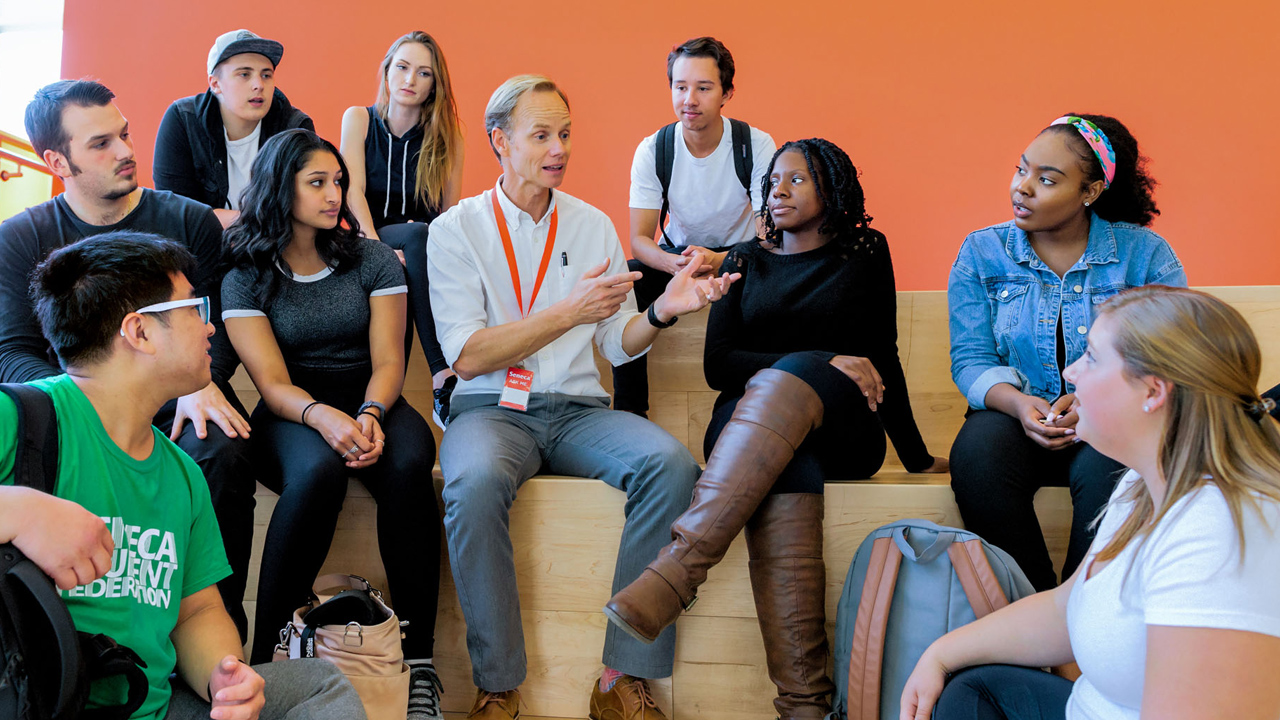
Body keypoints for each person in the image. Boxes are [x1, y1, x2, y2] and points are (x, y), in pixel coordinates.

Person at [426, 74, 738, 720]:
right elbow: (469, 354)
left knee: (672, 466)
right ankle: (498, 686)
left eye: (565, 133)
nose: (559, 148)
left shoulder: (592, 226)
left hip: (575, 412)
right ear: (499, 142)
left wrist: (664, 311)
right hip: (490, 410)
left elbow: (618, 345)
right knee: (474, 482)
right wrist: (568, 312)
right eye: (541, 135)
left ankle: (621, 679)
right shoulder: (455, 231)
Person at [604, 138, 947, 719]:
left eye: (797, 180)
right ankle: (805, 706)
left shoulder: (864, 251)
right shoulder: (743, 258)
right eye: (773, 182)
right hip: (749, 433)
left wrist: (914, 458)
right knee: (787, 456)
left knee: (790, 391)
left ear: (832, 189)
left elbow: (882, 355)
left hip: (842, 427)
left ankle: (677, 570)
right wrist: (822, 357)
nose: (778, 192)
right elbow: (720, 365)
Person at [0, 231, 368, 720]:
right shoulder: (21, 418)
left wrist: (224, 674)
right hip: (36, 702)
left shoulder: (183, 474)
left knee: (318, 684)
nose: (209, 328)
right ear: (140, 332)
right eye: (194, 309)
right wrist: (21, 510)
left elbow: (197, 611)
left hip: (147, 705)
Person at [901, 286, 1280, 720]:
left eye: (1093, 358)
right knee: (973, 689)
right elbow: (1070, 606)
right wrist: (940, 654)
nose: (1071, 370)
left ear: (1154, 392)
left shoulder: (1215, 534)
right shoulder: (1141, 482)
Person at [0, 79, 256, 641]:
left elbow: (219, 327)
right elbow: (11, 350)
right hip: (69, 400)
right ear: (55, 160)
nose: (125, 152)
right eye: (100, 144)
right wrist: (82, 407)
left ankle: (217, 635)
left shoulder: (189, 220)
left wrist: (196, 381)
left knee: (222, 450)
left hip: (182, 391)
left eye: (125, 134)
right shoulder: (20, 237)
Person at [220, 129, 444, 719]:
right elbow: (270, 383)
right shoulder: (246, 273)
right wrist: (323, 418)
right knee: (318, 472)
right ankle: (268, 658)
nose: (334, 195)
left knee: (410, 465)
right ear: (278, 189)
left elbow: (391, 359)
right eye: (316, 182)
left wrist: (369, 413)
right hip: (292, 410)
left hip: (374, 398)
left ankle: (419, 665)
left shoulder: (369, 258)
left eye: (338, 182)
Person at [947, 113, 1187, 591]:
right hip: (1014, 418)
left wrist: (1096, 398)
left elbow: (1167, 357)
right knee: (978, 453)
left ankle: (1081, 607)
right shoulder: (982, 252)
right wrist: (1018, 403)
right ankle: (1027, 606)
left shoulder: (1145, 255)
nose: (1023, 187)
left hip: (1112, 416)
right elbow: (971, 357)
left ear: (1090, 192)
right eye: (1022, 169)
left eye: (1047, 179)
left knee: (1116, 463)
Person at [611, 36, 776, 417]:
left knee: (778, 275)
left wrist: (720, 261)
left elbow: (767, 236)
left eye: (703, 88)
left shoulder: (755, 144)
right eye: (680, 87)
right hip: (679, 257)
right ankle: (631, 414)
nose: (690, 99)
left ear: (726, 92)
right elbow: (640, 239)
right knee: (626, 281)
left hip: (744, 256)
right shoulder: (655, 148)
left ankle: (760, 408)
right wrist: (673, 266)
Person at [339, 30, 465, 426]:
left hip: (423, 250)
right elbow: (352, 192)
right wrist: (378, 249)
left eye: (423, 73)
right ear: (387, 72)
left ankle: (388, 406)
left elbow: (448, 216)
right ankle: (442, 374)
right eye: (403, 67)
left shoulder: (448, 139)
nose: (410, 80)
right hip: (366, 239)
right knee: (413, 236)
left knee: (420, 235)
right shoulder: (359, 119)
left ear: (434, 85)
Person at [154, 29, 314, 229]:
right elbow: (175, 213)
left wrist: (221, 219)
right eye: (244, 74)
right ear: (215, 84)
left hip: (275, 249)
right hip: (203, 249)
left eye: (266, 75)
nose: (258, 85)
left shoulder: (294, 128)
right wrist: (252, 222)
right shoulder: (183, 120)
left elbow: (303, 211)